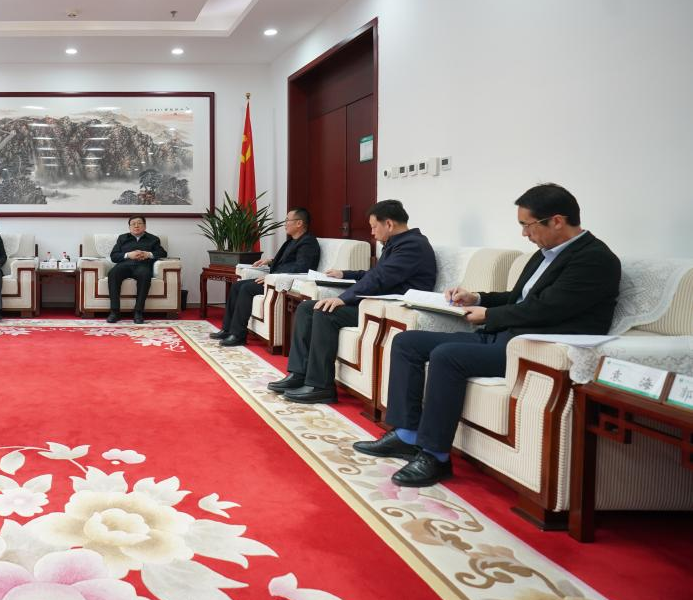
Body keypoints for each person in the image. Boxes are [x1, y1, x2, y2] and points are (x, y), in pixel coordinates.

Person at [356, 184, 621, 487]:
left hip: (532, 347)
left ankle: (435, 455)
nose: (524, 234)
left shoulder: (594, 259)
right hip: (504, 335)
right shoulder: (543, 255)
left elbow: (548, 309)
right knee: (407, 343)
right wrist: (477, 298)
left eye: (527, 225)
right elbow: (518, 298)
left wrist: (489, 316)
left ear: (557, 221)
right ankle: (406, 435)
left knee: (447, 356)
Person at [275, 199, 437, 404]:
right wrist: (345, 274)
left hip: (391, 310)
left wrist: (342, 299)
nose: (372, 233)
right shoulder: (398, 244)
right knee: (307, 308)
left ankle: (320, 386)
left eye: (374, 227)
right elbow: (375, 273)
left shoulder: (412, 246)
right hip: (376, 304)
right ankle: (298, 374)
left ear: (388, 224)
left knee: (325, 312)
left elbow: (380, 279)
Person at [212, 207, 321, 346]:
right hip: (274, 279)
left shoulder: (308, 242)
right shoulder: (292, 241)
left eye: (287, 220)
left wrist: (273, 277)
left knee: (246, 289)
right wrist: (270, 261)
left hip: (284, 283)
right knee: (237, 286)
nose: (285, 224)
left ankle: (238, 335)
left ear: (299, 223)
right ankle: (227, 329)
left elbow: (301, 267)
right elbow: (288, 262)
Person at [106, 216, 168, 324]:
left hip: (143, 265)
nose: (136, 226)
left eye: (139, 223)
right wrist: (128, 255)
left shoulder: (153, 239)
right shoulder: (122, 238)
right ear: (129, 227)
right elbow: (114, 256)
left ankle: (138, 312)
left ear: (145, 226)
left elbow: (163, 253)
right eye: (133, 224)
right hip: (125, 265)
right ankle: (114, 312)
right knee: (113, 273)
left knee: (145, 275)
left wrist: (148, 254)